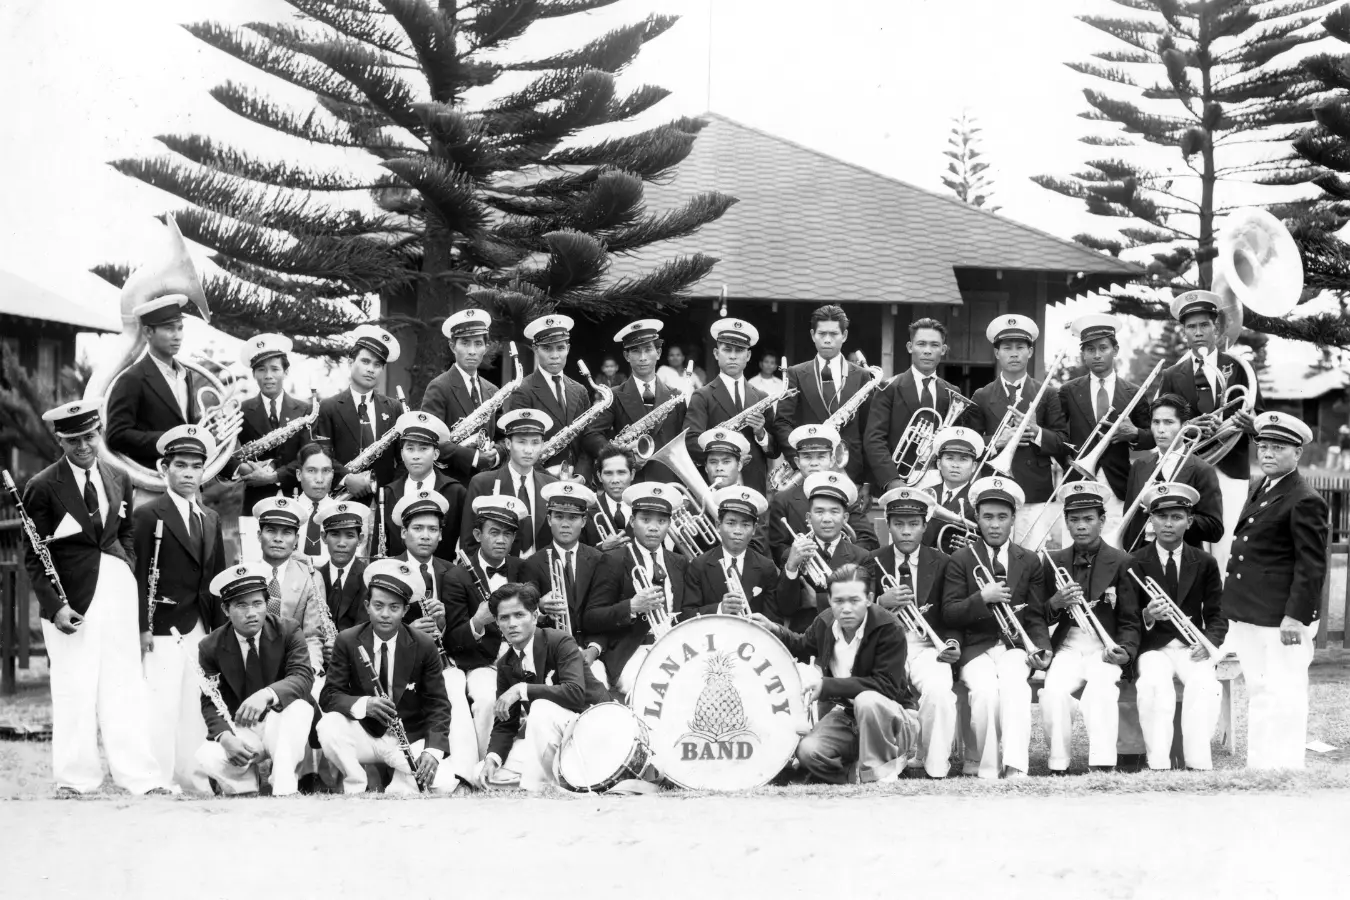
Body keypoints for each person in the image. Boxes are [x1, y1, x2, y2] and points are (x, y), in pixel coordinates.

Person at [21, 399, 166, 796]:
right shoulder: (41, 486)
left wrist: (126, 567)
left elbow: (125, 534)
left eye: (89, 436)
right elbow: (35, 556)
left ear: (98, 433)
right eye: (73, 440)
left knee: (125, 685)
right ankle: (75, 780)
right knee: (74, 686)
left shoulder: (120, 477)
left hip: (117, 588)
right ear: (60, 441)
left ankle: (139, 777)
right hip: (73, 600)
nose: (84, 446)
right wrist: (56, 608)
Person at [1221, 412, 1327, 769]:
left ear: (1297, 454)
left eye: (1278, 448)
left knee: (1285, 693)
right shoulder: (1262, 487)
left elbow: (1311, 566)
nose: (1267, 454)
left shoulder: (1304, 498)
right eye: (1263, 446)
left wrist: (1296, 617)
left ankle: (1285, 769)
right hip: (1252, 613)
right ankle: (1261, 767)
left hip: (1281, 618)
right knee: (1260, 691)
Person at [754, 564, 919, 784]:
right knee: (807, 752)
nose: (846, 609)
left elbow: (886, 686)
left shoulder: (889, 628)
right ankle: (857, 775)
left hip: (894, 719)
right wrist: (775, 629)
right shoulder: (825, 621)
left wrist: (827, 686)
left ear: (869, 598)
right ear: (829, 600)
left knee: (867, 700)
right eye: (838, 601)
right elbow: (802, 644)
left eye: (854, 600)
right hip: (849, 716)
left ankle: (879, 772)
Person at [133, 424, 227, 794]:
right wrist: (141, 627)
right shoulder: (147, 515)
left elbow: (217, 582)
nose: (188, 473)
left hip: (200, 627)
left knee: (194, 706)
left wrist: (220, 634)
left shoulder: (210, 518)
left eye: (195, 466)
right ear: (164, 468)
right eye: (181, 466)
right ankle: (157, 778)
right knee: (161, 704)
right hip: (162, 626)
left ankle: (193, 779)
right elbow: (139, 577)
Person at [940, 476, 1051, 779]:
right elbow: (949, 613)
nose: (995, 524)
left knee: (1015, 688)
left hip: (1015, 646)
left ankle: (1016, 766)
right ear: (976, 517)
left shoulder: (1028, 560)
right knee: (986, 693)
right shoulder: (960, 559)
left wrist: (1042, 649)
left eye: (1002, 517)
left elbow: (1037, 615)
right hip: (976, 649)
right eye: (987, 517)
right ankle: (987, 768)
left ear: (1014, 518)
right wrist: (981, 598)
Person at [317, 558, 455, 794]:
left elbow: (439, 705)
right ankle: (356, 784)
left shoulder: (424, 644)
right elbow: (329, 696)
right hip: (365, 733)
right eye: (378, 606)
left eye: (394, 607)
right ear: (367, 605)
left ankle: (399, 784)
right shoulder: (348, 640)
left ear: (404, 610)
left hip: (408, 737)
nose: (385, 615)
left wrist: (432, 751)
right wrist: (364, 705)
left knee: (442, 785)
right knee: (328, 726)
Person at [1038, 481, 1139, 774]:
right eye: (1074, 519)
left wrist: (1127, 651)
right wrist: (1055, 603)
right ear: (1066, 522)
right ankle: (1058, 763)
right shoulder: (1052, 561)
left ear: (1102, 521)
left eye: (1088, 519)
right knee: (1054, 693)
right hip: (1067, 647)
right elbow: (1037, 616)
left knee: (1102, 690)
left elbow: (1130, 619)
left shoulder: (1122, 562)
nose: (1081, 526)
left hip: (1103, 648)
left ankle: (1103, 762)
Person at [1156, 290, 1259, 571]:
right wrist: (1189, 426)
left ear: (1217, 328)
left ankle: (1219, 611)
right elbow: (1162, 422)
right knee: (1188, 540)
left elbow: (1257, 415)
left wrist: (1251, 425)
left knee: (1225, 543)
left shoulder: (1238, 367)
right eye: (1191, 327)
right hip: (1189, 467)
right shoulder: (1171, 375)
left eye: (1204, 325)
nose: (1198, 332)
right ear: (1184, 332)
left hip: (1231, 467)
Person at [194, 563, 315, 796]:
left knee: (300, 708)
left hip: (280, 722)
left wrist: (266, 694)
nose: (252, 612)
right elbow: (210, 700)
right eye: (241, 605)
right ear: (226, 609)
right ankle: (246, 789)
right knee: (207, 755)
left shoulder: (288, 630)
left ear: (266, 604)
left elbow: (302, 676)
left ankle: (283, 789)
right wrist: (225, 737)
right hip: (243, 728)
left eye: (258, 603)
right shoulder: (210, 646)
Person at [1129, 483, 1227, 771]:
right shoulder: (1134, 562)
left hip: (1191, 646)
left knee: (1206, 686)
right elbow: (1125, 616)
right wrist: (1147, 614)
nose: (1168, 524)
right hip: (1153, 647)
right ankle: (1158, 763)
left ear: (1190, 521)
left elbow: (1217, 613)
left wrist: (1208, 643)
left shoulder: (1205, 562)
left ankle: (1197, 763)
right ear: (1151, 520)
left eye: (1176, 517)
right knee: (1154, 685)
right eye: (1161, 517)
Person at [476, 583, 609, 791]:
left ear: (535, 615)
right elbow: (505, 724)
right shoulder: (506, 664)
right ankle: (564, 777)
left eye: (519, 615)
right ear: (497, 623)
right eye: (504, 618)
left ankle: (544, 785)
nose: (512, 624)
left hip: (592, 732)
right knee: (482, 771)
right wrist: (491, 759)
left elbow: (574, 693)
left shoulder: (559, 641)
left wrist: (522, 689)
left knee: (539, 708)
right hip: (554, 744)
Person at [869, 487, 959, 778]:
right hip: (884, 646)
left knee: (939, 693)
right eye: (899, 524)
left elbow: (952, 613)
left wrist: (952, 642)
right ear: (888, 524)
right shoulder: (871, 560)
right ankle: (884, 763)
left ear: (925, 526)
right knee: (876, 697)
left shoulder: (944, 562)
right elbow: (853, 612)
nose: (906, 531)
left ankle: (934, 766)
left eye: (913, 524)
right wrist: (879, 604)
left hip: (927, 646)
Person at [442, 495, 529, 776]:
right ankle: (484, 768)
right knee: (487, 698)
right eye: (494, 532)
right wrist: (477, 622)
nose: (501, 540)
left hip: (524, 657)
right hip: (482, 663)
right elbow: (453, 640)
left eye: (508, 534)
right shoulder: (457, 576)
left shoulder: (523, 568)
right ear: (478, 534)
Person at [966, 315, 1069, 549]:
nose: (1014, 353)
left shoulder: (1048, 394)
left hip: (1034, 491)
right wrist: (996, 441)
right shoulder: (981, 395)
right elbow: (970, 446)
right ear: (996, 353)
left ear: (1030, 352)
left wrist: (1036, 431)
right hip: (994, 487)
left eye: (1020, 347)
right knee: (994, 555)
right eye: (1007, 348)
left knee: (1032, 556)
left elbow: (1062, 442)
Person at [1057, 314, 1155, 542]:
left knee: (1113, 547)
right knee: (1074, 544)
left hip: (1117, 482)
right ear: (1083, 353)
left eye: (1103, 348)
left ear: (1116, 349)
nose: (1097, 355)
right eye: (1090, 349)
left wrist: (1135, 434)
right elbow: (1059, 434)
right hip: (1078, 479)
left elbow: (1152, 436)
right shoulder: (1068, 390)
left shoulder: (1134, 392)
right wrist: (1067, 462)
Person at [586, 483, 689, 694]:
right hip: (633, 651)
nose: (653, 527)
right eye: (645, 520)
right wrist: (631, 607)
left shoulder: (679, 562)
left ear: (669, 523)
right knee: (650, 690)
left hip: (675, 648)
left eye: (661, 521)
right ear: (632, 521)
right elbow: (591, 618)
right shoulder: (614, 560)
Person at [520, 482, 617, 684]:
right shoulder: (532, 564)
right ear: (548, 519)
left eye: (573, 517)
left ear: (584, 521)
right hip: (549, 654)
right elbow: (524, 618)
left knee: (598, 688)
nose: (565, 524)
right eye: (559, 517)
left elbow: (605, 614)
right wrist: (540, 607)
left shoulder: (600, 560)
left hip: (590, 652)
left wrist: (593, 650)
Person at [773, 305, 874, 496]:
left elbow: (869, 430)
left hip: (850, 474)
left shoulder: (862, 376)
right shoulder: (795, 374)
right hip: (806, 474)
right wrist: (803, 459)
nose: (827, 339)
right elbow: (782, 422)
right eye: (822, 333)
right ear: (812, 335)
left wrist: (867, 481)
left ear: (844, 335)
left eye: (834, 334)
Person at [864, 318, 967, 492]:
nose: (927, 351)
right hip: (900, 478)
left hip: (942, 481)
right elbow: (874, 440)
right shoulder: (889, 388)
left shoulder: (952, 392)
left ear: (943, 350)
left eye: (934, 345)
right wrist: (891, 480)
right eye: (921, 344)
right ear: (910, 347)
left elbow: (959, 439)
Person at [105, 295, 202, 470]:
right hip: (154, 478)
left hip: (190, 479)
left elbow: (186, 423)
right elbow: (116, 435)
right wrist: (169, 439)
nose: (177, 336)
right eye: (169, 329)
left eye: (180, 328)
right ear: (148, 332)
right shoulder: (132, 378)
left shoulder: (185, 375)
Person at [684, 318, 779, 494]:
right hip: (715, 485)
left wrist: (761, 433)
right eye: (727, 349)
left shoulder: (761, 397)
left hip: (752, 484)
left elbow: (774, 450)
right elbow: (691, 442)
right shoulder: (702, 396)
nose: (733, 356)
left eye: (740, 350)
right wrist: (725, 458)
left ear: (748, 356)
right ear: (715, 353)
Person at [505, 314, 605, 481]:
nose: (555, 355)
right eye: (547, 348)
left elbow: (587, 440)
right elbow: (519, 445)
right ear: (536, 350)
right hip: (539, 481)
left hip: (578, 482)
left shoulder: (580, 390)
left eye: (560, 348)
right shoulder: (523, 390)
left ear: (568, 348)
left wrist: (581, 475)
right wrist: (549, 480)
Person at [771, 471, 873, 633]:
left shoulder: (862, 557)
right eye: (819, 512)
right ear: (808, 518)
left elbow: (864, 607)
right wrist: (791, 566)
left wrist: (818, 600)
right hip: (804, 641)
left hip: (848, 640)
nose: (826, 519)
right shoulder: (791, 554)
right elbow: (785, 608)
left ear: (845, 518)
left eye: (834, 511)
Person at [1120, 394, 1223, 552]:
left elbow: (1214, 529)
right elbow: (1128, 521)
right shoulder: (1139, 466)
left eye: (1169, 422)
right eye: (1156, 422)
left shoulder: (1202, 469)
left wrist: (1173, 515)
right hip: (1141, 557)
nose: (1161, 430)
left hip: (1184, 560)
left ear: (1185, 426)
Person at [313, 323, 403, 499]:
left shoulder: (394, 408)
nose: (371, 369)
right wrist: (346, 478)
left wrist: (392, 492)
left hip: (384, 502)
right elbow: (321, 454)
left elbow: (403, 459)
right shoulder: (328, 407)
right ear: (350, 362)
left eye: (377, 365)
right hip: (340, 499)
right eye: (365, 361)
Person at [768, 424, 878, 567]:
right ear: (797, 462)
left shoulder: (846, 493)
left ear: (832, 460)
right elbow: (778, 550)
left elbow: (868, 540)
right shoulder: (783, 500)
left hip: (844, 578)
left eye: (821, 457)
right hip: (802, 582)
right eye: (807, 457)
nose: (814, 463)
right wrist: (814, 560)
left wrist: (837, 559)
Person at [591, 319, 687, 485]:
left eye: (648, 349)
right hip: (629, 484)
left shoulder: (676, 396)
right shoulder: (612, 396)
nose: (642, 358)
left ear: (658, 352)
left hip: (667, 483)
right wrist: (618, 456)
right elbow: (592, 435)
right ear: (626, 356)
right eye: (635, 351)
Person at [224, 333, 313, 512]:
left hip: (296, 498)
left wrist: (274, 476)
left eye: (275, 369)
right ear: (254, 374)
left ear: (286, 372)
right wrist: (242, 468)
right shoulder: (240, 411)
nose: (268, 376)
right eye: (261, 370)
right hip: (255, 501)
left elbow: (310, 457)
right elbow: (221, 456)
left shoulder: (305, 410)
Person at [420, 308, 505, 482]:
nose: (472, 351)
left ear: (486, 347)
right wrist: (474, 458)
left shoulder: (493, 391)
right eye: (465, 343)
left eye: (478, 344)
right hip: (451, 483)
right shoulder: (438, 387)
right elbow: (429, 440)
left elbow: (503, 437)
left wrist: (497, 454)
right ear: (453, 346)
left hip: (486, 483)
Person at [460, 409, 559, 557]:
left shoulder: (551, 486)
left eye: (535, 443)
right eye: (521, 442)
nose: (528, 450)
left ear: (542, 444)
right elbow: (469, 542)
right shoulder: (482, 483)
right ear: (507, 443)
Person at [250, 495, 330, 672]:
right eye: (271, 530)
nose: (278, 539)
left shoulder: (311, 578)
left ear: (296, 539)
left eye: (286, 532)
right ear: (259, 535)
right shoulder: (246, 575)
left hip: (294, 666)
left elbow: (312, 636)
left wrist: (312, 670)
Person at [376, 410, 466, 560]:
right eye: (410, 449)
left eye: (423, 449)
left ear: (436, 454)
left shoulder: (455, 491)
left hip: (442, 576)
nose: (416, 455)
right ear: (402, 454)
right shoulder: (387, 493)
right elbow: (379, 546)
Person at [681, 485, 779, 618]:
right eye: (731, 523)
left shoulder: (766, 567)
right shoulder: (699, 565)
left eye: (745, 525)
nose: (738, 531)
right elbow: (687, 614)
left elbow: (773, 618)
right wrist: (720, 609)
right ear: (718, 525)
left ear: (754, 529)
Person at [921, 426, 983, 553]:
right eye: (949, 458)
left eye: (963, 459)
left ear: (974, 466)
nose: (955, 465)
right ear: (938, 463)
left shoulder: (979, 500)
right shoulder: (925, 494)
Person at [314, 500, 370, 632]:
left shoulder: (368, 577)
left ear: (360, 539)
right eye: (335, 534)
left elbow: (365, 626)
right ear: (323, 537)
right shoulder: (315, 578)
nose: (341, 543)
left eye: (350, 536)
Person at [582, 444, 637, 551]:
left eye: (621, 473)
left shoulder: (645, 508)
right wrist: (602, 548)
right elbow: (579, 556)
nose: (615, 480)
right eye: (608, 473)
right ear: (599, 476)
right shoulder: (586, 511)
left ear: (632, 475)